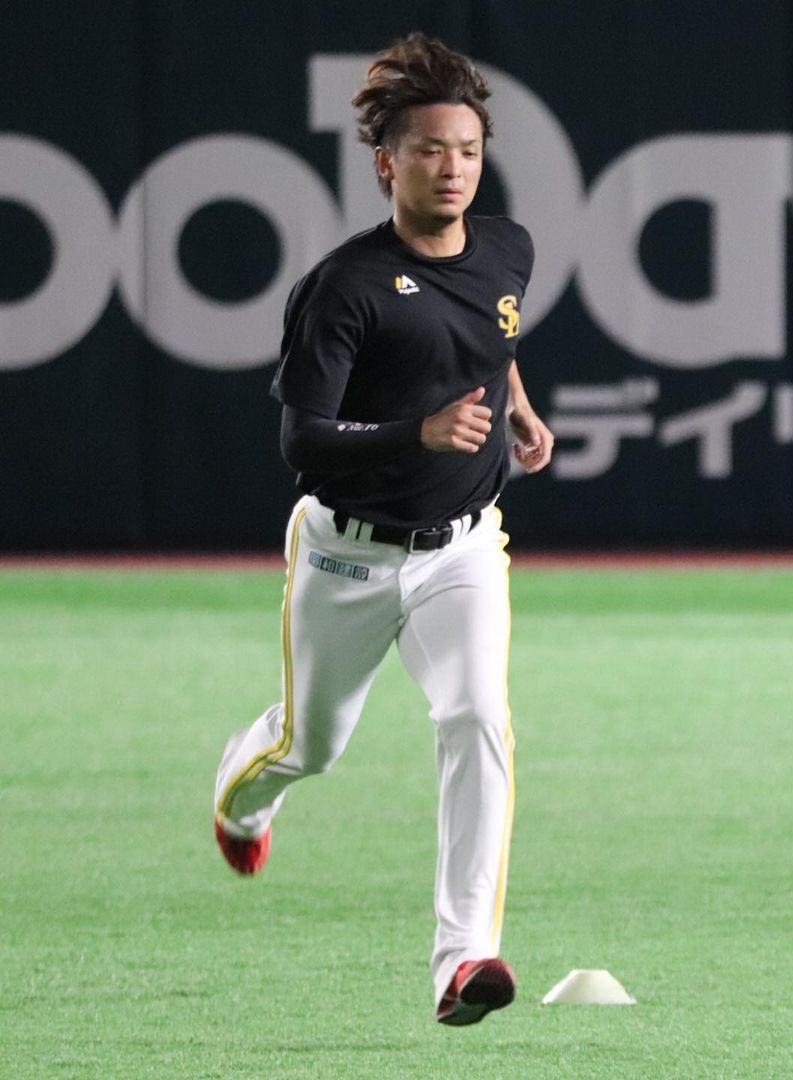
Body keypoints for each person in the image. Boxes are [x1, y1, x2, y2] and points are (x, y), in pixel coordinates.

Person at [212, 32, 553, 1027]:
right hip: (345, 555)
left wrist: (517, 407)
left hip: (462, 547)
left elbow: (493, 338)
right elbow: (302, 441)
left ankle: (465, 959)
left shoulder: (508, 248)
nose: (453, 167)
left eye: (468, 150)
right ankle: (241, 798)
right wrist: (419, 431)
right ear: (385, 163)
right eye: (430, 149)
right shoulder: (345, 287)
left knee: (477, 716)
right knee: (309, 745)